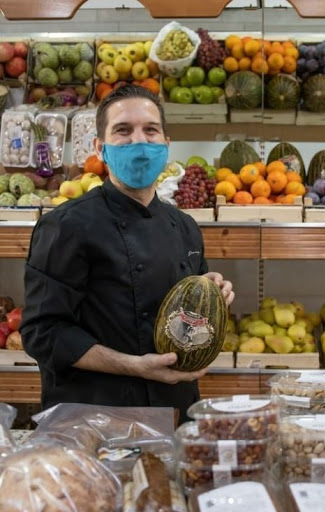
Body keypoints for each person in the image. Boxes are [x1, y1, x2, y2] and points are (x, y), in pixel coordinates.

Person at [20, 85, 234, 424]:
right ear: (100, 149)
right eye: (123, 131)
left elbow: (185, 314)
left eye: (150, 130)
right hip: (95, 416)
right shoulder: (65, 226)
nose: (139, 142)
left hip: (174, 408)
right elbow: (42, 333)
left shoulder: (185, 226)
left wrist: (209, 293)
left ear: (167, 145)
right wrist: (134, 366)